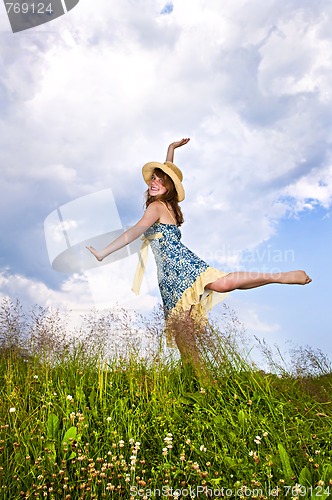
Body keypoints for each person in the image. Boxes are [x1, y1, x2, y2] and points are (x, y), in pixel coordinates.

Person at [87, 139, 311, 356]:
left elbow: (134, 232)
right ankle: (198, 380)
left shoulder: (156, 207)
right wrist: (171, 149)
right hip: (168, 275)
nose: (154, 183)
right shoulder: (168, 206)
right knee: (183, 333)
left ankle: (281, 276)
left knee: (220, 285)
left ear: (169, 188)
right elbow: (169, 175)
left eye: (161, 181)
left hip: (179, 265)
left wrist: (103, 253)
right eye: (153, 179)